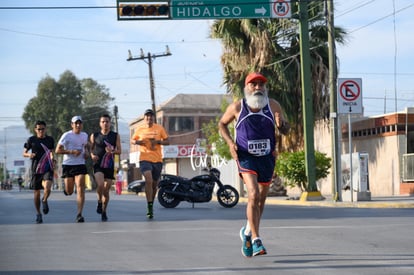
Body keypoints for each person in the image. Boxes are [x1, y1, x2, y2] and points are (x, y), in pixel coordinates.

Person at [218, 72, 290, 257]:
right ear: (246, 87)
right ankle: (257, 240)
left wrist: (281, 125)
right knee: (253, 193)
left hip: (266, 158)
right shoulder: (237, 107)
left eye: (261, 84)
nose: (258, 87)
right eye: (253, 84)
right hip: (245, 156)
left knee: (261, 199)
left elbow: (286, 129)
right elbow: (221, 125)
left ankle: (248, 232)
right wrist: (230, 143)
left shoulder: (272, 105)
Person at [130, 109, 169, 219]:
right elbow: (132, 140)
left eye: (151, 116)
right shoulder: (140, 129)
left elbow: (167, 141)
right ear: (144, 118)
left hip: (157, 160)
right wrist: (137, 142)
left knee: (154, 184)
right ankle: (149, 206)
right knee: (148, 179)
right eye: (147, 116)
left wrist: (158, 142)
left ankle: (151, 202)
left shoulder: (159, 128)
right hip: (144, 159)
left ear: (154, 118)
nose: (149, 118)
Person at [55, 116, 89, 223]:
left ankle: (79, 214)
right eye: (76, 123)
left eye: (80, 123)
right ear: (72, 125)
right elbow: (57, 150)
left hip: (80, 164)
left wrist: (87, 152)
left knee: (80, 188)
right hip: (68, 165)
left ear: (82, 124)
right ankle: (68, 190)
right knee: (69, 191)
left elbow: (86, 147)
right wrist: (71, 152)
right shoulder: (67, 135)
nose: (78, 125)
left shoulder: (84, 135)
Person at [90, 114, 121, 222]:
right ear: (100, 123)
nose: (105, 123)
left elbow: (119, 151)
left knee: (106, 191)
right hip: (98, 164)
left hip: (109, 165)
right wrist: (92, 156)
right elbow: (91, 149)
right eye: (103, 121)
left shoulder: (115, 135)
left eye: (107, 121)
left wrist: (112, 151)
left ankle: (104, 211)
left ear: (110, 123)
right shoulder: (94, 135)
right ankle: (99, 201)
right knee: (100, 184)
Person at [23, 121, 55, 224]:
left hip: (47, 167)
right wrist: (29, 155)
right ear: (35, 130)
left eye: (43, 129)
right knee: (36, 193)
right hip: (36, 169)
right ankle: (38, 213)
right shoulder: (31, 140)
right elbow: (24, 153)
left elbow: (51, 152)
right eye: (39, 129)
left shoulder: (50, 140)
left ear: (46, 129)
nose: (41, 131)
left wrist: (53, 159)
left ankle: (45, 200)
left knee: (48, 187)